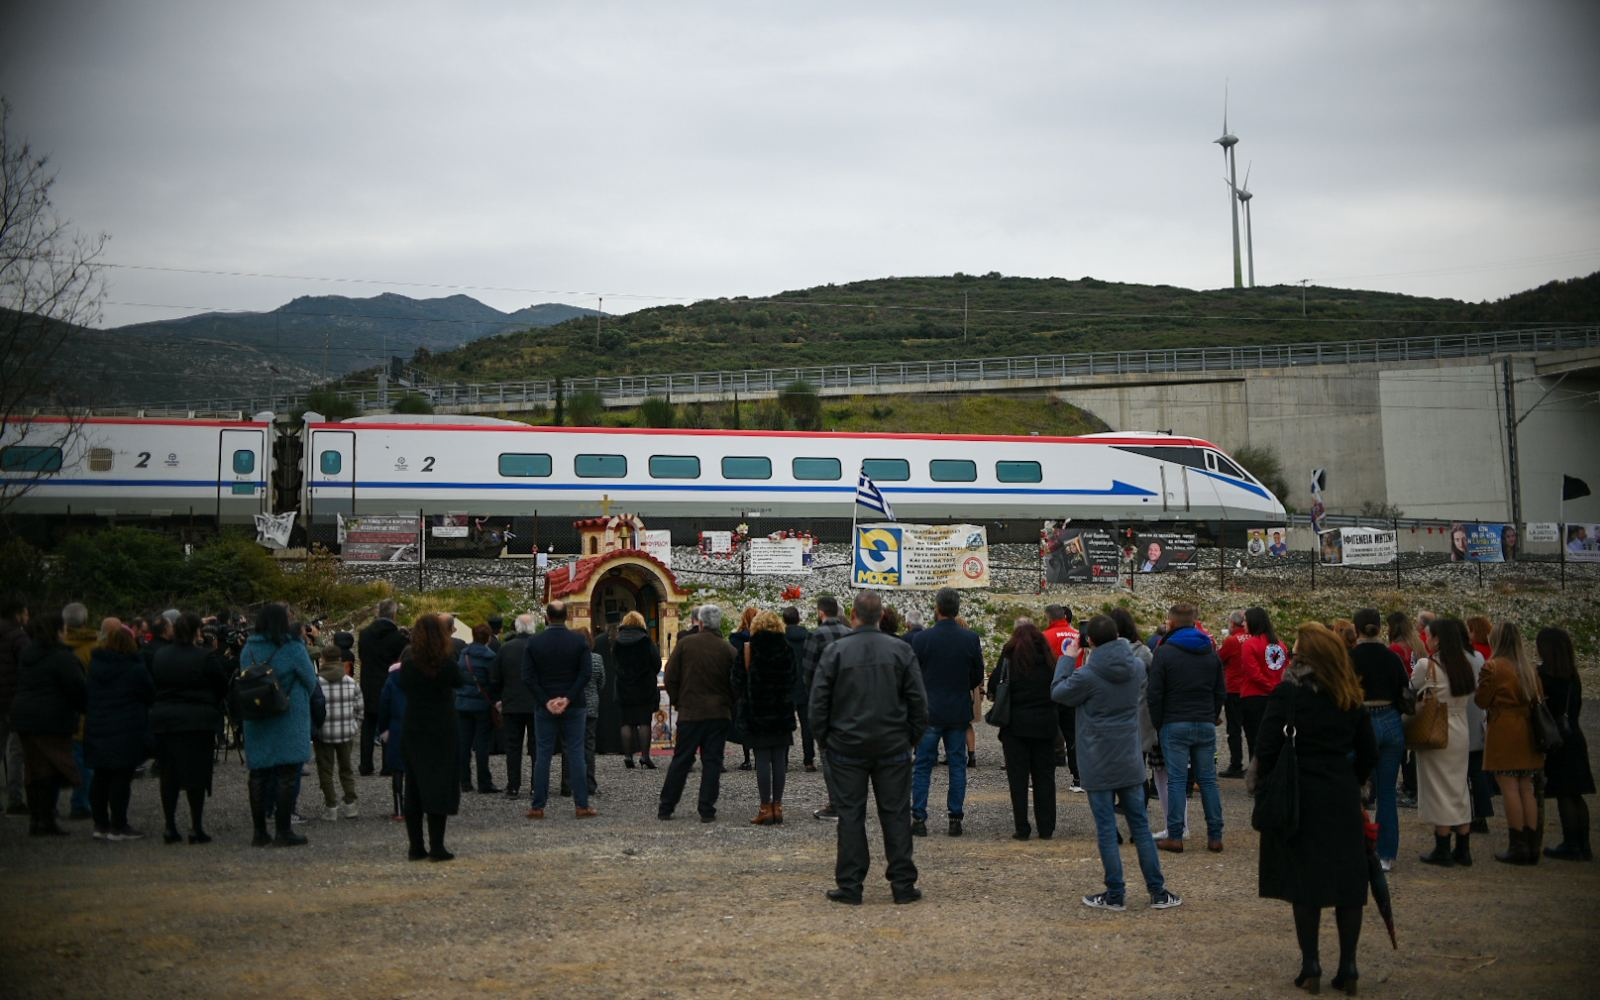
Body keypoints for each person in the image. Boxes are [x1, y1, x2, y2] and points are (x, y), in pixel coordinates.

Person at [1255, 623, 1378, 995]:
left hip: (1301, 795)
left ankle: (1311, 964)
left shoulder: (1288, 694)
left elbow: (1266, 747)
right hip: (1340, 791)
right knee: (1348, 882)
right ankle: (1349, 966)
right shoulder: (1349, 696)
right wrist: (1354, 781)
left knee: (1304, 882)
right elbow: (1368, 752)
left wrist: (1265, 786)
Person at [1053, 615, 1179, 912]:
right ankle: (1158, 891)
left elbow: (1058, 692)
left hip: (1097, 759)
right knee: (1140, 825)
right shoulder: (1135, 666)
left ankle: (1115, 893)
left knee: (1107, 829)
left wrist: (1068, 658)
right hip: (1129, 756)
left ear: (1090, 641)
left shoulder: (1087, 675)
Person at [810, 591, 928, 905]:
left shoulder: (836, 651)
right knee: (896, 814)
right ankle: (902, 884)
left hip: (846, 746)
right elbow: (918, 702)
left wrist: (825, 740)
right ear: (881, 616)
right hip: (892, 746)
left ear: (853, 614)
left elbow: (818, 703)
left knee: (850, 815)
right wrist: (910, 738)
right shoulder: (901, 650)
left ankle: (851, 885)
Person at [1148, 602, 1226, 854]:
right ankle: (1215, 836)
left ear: (1171, 623)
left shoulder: (1164, 652)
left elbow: (1155, 693)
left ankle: (1175, 835)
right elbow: (1220, 690)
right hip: (1204, 721)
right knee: (1208, 781)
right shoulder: (1210, 652)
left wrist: (1158, 722)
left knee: (1177, 780)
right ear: (1194, 622)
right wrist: (1212, 715)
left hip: (1174, 722)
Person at [240, 603, 318, 848]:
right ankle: (283, 831)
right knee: (287, 773)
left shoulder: (248, 648)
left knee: (258, 773)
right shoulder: (292, 647)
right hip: (289, 716)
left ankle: (259, 832)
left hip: (256, 714)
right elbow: (310, 680)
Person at [908, 587, 983, 838]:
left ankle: (919, 818)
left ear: (937, 608)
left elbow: (913, 675)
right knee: (957, 765)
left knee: (922, 766)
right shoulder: (970, 639)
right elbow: (977, 675)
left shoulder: (922, 639)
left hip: (930, 711)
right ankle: (955, 817)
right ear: (957, 609)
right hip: (958, 711)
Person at [149, 612, 227, 844]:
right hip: (197, 720)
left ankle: (170, 826)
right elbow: (222, 684)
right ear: (197, 632)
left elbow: (154, 682)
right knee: (197, 774)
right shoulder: (205, 657)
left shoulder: (160, 655)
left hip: (166, 720)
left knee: (168, 774)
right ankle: (196, 826)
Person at [10, 612, 86, 836]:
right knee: (53, 768)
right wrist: (84, 707)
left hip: (24, 715)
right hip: (51, 718)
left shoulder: (28, 654)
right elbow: (76, 687)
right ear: (58, 631)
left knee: (34, 769)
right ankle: (46, 818)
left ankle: (37, 818)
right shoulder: (62, 657)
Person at [1476, 621, 1546, 865]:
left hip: (1504, 729)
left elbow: (1482, 700)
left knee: (1509, 788)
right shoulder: (1528, 669)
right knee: (1526, 787)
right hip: (1527, 729)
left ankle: (1517, 844)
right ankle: (1532, 844)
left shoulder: (1493, 667)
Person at [657, 604, 735, 821]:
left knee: (681, 760)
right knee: (712, 762)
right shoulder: (728, 649)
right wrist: (729, 703)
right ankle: (706, 809)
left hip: (690, 713)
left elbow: (670, 676)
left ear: (700, 623)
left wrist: (678, 701)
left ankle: (666, 807)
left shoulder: (685, 645)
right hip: (718, 713)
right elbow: (736, 682)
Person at [1411, 618, 1479, 867]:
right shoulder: (1465, 665)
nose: (1426, 640)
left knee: (1438, 787)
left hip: (1437, 725)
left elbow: (1411, 689)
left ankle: (1442, 846)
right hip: (1460, 728)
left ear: (1438, 639)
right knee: (1459, 787)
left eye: (1429, 636)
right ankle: (1463, 846)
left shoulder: (1427, 665)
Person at [398, 614, 465, 860]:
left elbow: (402, 686)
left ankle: (415, 846)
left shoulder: (408, 663)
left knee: (414, 785)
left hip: (414, 725)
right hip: (442, 726)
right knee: (440, 784)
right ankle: (437, 846)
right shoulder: (446, 663)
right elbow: (460, 681)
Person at [523, 601, 595, 820]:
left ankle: (538, 806)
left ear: (547, 617)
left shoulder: (534, 642)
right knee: (576, 753)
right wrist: (568, 698)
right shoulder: (579, 641)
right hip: (574, 705)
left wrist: (546, 700)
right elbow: (585, 674)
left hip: (545, 707)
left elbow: (528, 677)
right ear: (568, 616)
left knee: (543, 755)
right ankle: (581, 805)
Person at [1348, 608, 1409, 870]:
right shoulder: (1392, 657)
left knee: (1353, 787)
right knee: (1387, 792)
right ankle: (1386, 854)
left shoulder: (1350, 658)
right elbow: (1404, 691)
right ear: (1380, 628)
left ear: (1356, 630)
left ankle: (1355, 846)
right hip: (1391, 720)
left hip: (1362, 720)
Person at [84, 620, 153, 841]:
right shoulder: (135, 668)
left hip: (98, 724)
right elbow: (149, 694)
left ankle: (100, 823)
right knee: (121, 777)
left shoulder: (95, 666)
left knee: (101, 775)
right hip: (126, 726)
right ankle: (118, 824)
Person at [989, 621, 1058, 840]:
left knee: (1018, 780)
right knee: (1044, 778)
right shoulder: (1050, 661)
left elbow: (993, 685)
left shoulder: (1010, 657)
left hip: (1015, 727)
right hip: (1045, 727)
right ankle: (1046, 827)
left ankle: (1022, 827)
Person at [1536, 627, 1593, 861]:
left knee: (1564, 793)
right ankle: (1583, 843)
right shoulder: (1571, 675)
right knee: (1575, 794)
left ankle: (1570, 843)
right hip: (1574, 736)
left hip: (1556, 737)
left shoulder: (1544, 675)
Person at [740, 610, 796, 825]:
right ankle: (778, 806)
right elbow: (793, 678)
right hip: (781, 711)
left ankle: (765, 807)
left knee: (762, 759)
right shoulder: (787, 649)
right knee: (779, 759)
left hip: (758, 711)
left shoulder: (749, 649)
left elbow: (737, 679)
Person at [800, 595, 851, 821]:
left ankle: (836, 804)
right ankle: (850, 799)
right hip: (850, 702)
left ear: (821, 613)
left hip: (827, 704)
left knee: (828, 754)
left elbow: (808, 673)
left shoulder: (816, 635)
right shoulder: (850, 634)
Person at [313, 644, 363, 822]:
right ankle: (351, 805)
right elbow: (360, 709)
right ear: (340, 660)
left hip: (323, 733)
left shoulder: (317, 682)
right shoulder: (350, 682)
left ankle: (331, 806)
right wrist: (354, 727)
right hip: (346, 733)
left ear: (323, 659)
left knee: (325, 771)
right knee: (346, 769)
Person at [357, 600, 407, 776]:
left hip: (368, 684)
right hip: (388, 685)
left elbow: (362, 657)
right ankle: (387, 765)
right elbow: (402, 661)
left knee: (368, 725)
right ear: (394, 614)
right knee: (388, 723)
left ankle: (365, 765)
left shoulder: (364, 635)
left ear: (378, 613)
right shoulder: (398, 638)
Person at [491, 614, 538, 797]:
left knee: (513, 747)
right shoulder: (538, 646)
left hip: (511, 703)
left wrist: (498, 699)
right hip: (536, 703)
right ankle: (536, 785)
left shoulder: (505, 648)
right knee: (536, 747)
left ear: (516, 627)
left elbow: (495, 677)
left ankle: (513, 786)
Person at [613, 611, 661, 771]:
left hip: (623, 687)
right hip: (644, 687)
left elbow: (614, 663)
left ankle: (628, 756)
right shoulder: (646, 641)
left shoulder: (617, 641)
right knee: (644, 722)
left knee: (626, 722)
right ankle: (645, 756)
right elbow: (657, 663)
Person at [455, 623, 499, 794]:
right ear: (488, 638)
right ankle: (484, 782)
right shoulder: (490, 657)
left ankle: (464, 781)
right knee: (482, 744)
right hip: (482, 703)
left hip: (462, 702)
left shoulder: (464, 654)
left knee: (463, 743)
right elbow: (493, 682)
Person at [562, 626, 606, 800]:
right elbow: (602, 682)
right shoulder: (597, 659)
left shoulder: (567, 659)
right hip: (591, 706)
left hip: (571, 705)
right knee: (589, 745)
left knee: (569, 745)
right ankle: (590, 784)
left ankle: (567, 784)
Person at [1238, 607, 1286, 761]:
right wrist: (1276, 688)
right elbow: (1284, 671)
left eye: (1245, 620)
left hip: (1254, 697)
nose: (1243, 624)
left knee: (1255, 741)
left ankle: (1257, 771)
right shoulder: (1280, 645)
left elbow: (1254, 674)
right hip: (1277, 697)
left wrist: (1270, 687)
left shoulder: (1249, 644)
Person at [0, 594, 31, 817]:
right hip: (14, 701)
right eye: (26, 613)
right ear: (18, 615)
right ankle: (15, 799)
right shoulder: (18, 637)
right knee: (16, 752)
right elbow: (28, 666)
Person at [1043, 605, 1082, 783]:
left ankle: (1045, 777)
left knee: (1047, 735)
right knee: (1073, 735)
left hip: (1051, 690)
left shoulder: (1044, 636)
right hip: (1074, 689)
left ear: (1049, 618)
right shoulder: (1078, 635)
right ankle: (1078, 778)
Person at [782, 607, 815, 772]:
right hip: (805, 684)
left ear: (784, 620)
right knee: (807, 725)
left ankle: (784, 760)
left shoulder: (781, 638)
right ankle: (808, 759)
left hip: (787, 685)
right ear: (799, 619)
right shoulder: (809, 637)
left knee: (785, 724)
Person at [376, 656, 408, 821]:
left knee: (397, 769)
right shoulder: (423, 677)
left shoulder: (391, 680)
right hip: (417, 727)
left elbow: (384, 705)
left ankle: (399, 809)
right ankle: (415, 806)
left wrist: (383, 729)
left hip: (396, 727)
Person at [1217, 610, 1248, 776]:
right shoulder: (1253, 638)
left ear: (1233, 624)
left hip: (1234, 689)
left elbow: (1219, 659)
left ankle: (1236, 764)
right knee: (1252, 729)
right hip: (1251, 689)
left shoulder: (1231, 640)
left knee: (1234, 730)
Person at [728, 606, 758, 771]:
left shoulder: (735, 639)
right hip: (758, 684)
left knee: (744, 721)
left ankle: (747, 759)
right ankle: (760, 756)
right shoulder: (762, 639)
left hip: (742, 686)